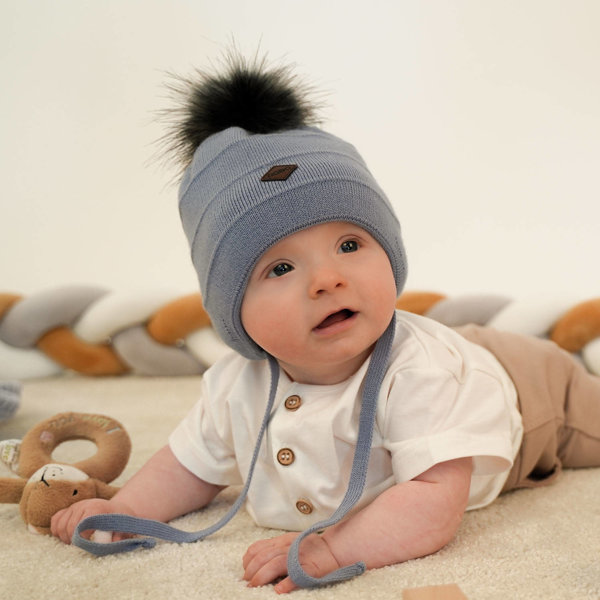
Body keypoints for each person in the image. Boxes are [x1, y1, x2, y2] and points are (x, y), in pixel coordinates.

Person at [50, 55, 600, 594]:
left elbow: (434, 499)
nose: (327, 279)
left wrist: (333, 549)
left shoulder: (421, 375)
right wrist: (125, 510)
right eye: (281, 267)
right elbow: (191, 466)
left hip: (531, 394)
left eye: (350, 243)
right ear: (230, 308)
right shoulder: (234, 386)